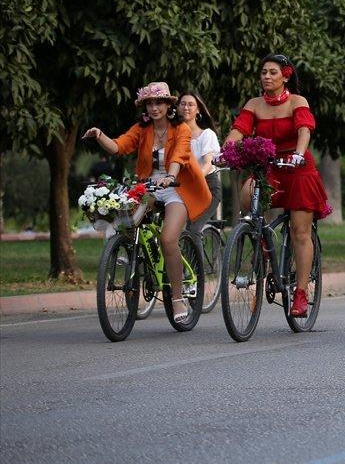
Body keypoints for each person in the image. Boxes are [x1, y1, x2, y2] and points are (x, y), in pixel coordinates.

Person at [84, 82, 212, 324]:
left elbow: (179, 156)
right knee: (125, 219)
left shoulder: (181, 129)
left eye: (159, 102)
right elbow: (119, 146)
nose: (154, 108)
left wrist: (170, 177)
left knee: (168, 239)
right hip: (149, 188)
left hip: (177, 188)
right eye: (149, 103)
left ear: (168, 105)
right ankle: (133, 256)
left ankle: (177, 298)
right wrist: (99, 135)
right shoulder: (142, 129)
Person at [225, 54, 329, 318]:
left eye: (273, 72)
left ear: (285, 76)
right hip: (269, 167)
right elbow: (238, 130)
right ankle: (260, 237)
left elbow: (304, 129)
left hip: (297, 168)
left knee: (300, 232)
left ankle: (301, 294)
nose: (267, 77)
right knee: (247, 193)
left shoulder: (297, 101)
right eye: (263, 72)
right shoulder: (254, 104)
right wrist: (225, 151)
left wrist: (298, 153)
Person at [178, 91, 221, 233]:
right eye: (183, 104)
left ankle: (196, 249)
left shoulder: (206, 134)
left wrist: (195, 179)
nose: (186, 107)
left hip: (207, 187)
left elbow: (208, 164)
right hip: (182, 187)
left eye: (191, 105)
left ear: (198, 110)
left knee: (193, 229)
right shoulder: (174, 135)